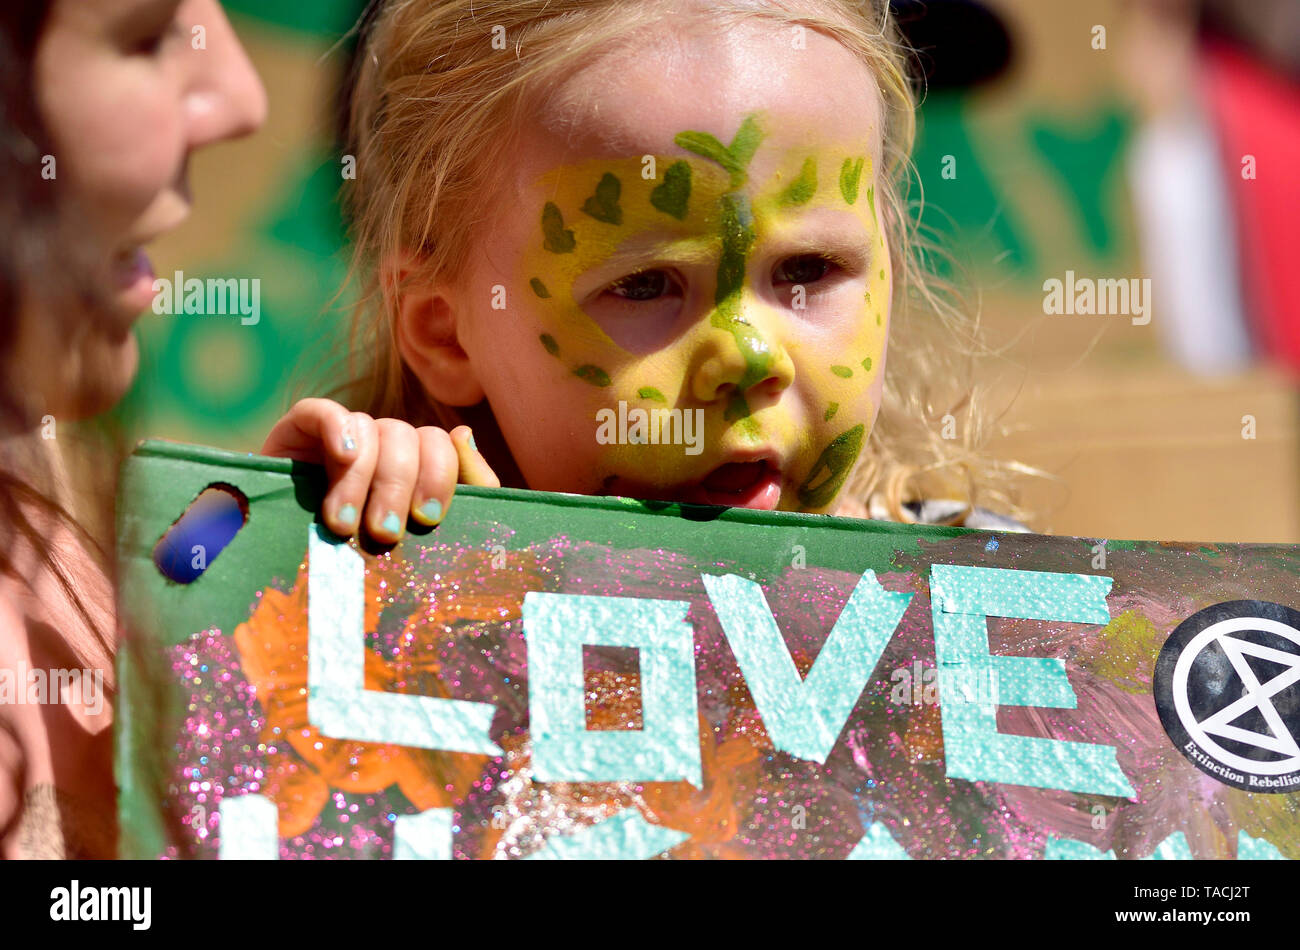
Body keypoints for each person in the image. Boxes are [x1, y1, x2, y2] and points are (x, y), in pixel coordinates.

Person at [0, 0, 451, 859]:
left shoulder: (51, 531)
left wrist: (256, 539)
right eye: (143, 34)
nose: (242, 98)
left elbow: (174, 580)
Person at [319, 0, 1030, 529]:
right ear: (445, 333)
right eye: (644, 284)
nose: (748, 357)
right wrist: (286, 555)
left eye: (808, 270)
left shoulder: (1003, 622)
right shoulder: (389, 600)